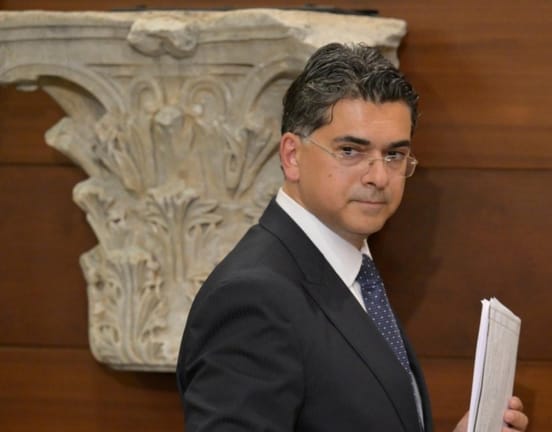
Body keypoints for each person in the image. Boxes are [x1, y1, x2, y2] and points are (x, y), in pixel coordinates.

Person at [176, 42, 528, 432]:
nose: (379, 176)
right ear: (292, 156)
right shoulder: (251, 297)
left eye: (394, 155)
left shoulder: (354, 270)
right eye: (350, 151)